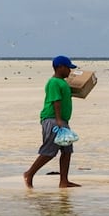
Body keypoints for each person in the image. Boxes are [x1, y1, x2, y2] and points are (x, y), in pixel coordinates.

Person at [24, 56, 80, 189]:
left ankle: (64, 181)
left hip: (62, 120)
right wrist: (59, 120)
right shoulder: (54, 82)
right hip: (53, 120)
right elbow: (56, 101)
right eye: (68, 68)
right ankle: (29, 173)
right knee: (49, 151)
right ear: (60, 67)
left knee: (67, 151)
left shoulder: (63, 82)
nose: (70, 71)